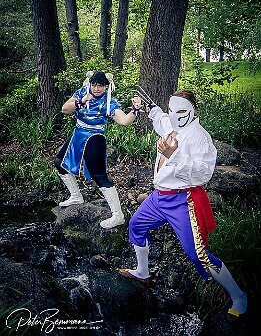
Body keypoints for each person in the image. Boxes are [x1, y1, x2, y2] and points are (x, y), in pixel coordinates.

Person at [119, 89, 247, 322]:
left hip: (182, 201)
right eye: (171, 110)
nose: (174, 115)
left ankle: (239, 297)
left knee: (199, 255)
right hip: (159, 197)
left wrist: (174, 154)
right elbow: (161, 119)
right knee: (136, 225)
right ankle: (143, 272)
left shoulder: (200, 137)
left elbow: (203, 174)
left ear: (192, 111)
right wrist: (148, 108)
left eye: (180, 111)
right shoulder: (172, 123)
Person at [54, 70, 141, 229]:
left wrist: (135, 110)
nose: (96, 88)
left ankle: (118, 215)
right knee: (59, 162)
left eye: (100, 85)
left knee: (99, 176)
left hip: (95, 137)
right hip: (78, 133)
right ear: (90, 84)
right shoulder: (82, 93)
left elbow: (124, 121)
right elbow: (65, 109)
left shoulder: (109, 102)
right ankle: (76, 196)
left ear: (107, 87)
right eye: (94, 85)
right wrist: (81, 101)